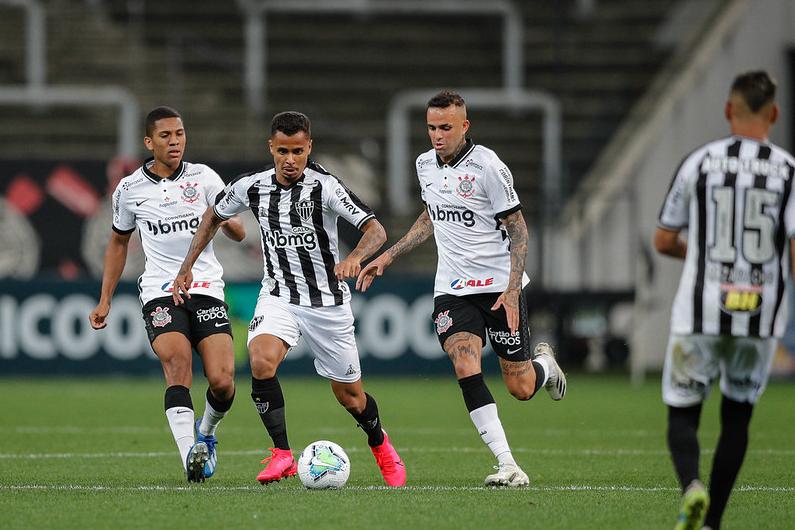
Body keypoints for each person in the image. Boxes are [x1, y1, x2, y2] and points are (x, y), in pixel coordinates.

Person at [172, 111, 406, 487]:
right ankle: (282, 455)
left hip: (327, 304)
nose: (290, 159)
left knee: (351, 397)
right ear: (272, 147)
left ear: (309, 147)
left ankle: (380, 444)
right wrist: (187, 267)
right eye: (283, 151)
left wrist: (354, 258)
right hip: (279, 296)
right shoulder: (252, 186)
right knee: (261, 361)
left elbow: (375, 230)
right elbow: (212, 216)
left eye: (298, 151)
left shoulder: (325, 187)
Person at [357, 90, 566, 487]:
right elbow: (430, 216)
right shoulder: (424, 164)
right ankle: (508, 464)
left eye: (446, 128)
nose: (437, 135)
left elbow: (518, 228)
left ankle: (546, 367)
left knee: (520, 387)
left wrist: (510, 289)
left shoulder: (488, 167)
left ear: (464, 126)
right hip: (452, 287)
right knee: (464, 361)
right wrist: (389, 255)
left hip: (498, 288)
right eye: (432, 127)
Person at [655, 71, 795, 530]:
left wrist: (698, 252)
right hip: (759, 316)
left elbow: (664, 238)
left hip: (701, 310)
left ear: (727, 110)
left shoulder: (699, 162)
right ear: (773, 113)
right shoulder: (789, 171)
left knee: (683, 411)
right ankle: (713, 521)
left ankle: (692, 485)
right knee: (737, 417)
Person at [89, 106, 245, 483]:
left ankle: (205, 434)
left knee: (223, 382)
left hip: (206, 287)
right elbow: (118, 243)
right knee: (177, 365)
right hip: (159, 290)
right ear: (149, 142)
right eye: (165, 136)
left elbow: (237, 231)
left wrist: (226, 221)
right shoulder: (129, 190)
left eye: (179, 134)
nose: (174, 141)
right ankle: (190, 458)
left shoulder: (204, 177)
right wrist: (105, 297)